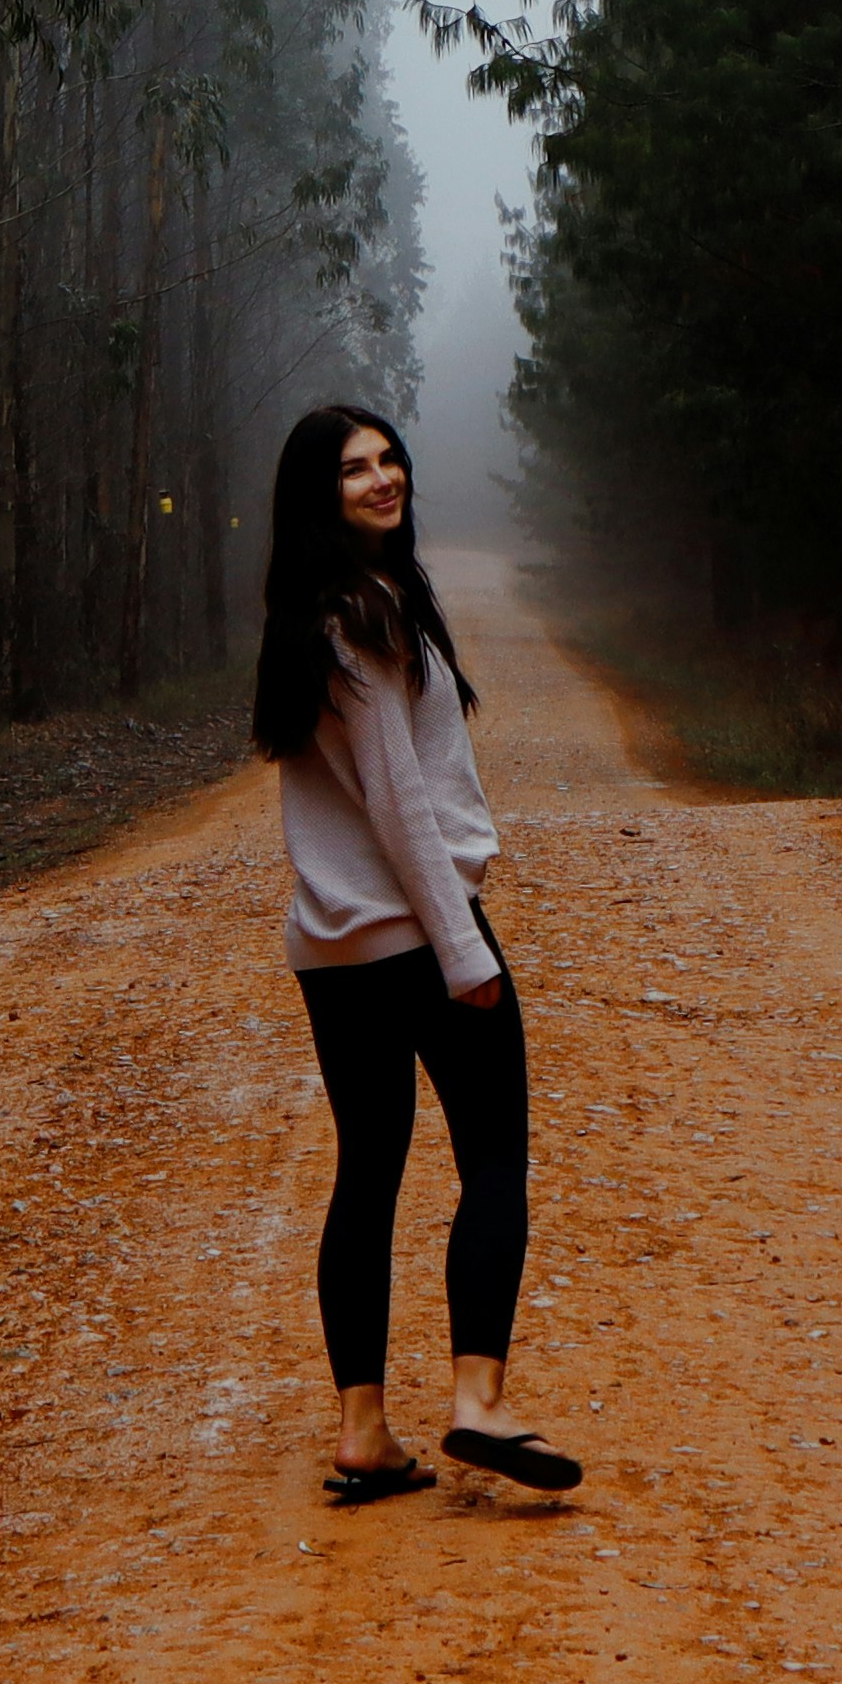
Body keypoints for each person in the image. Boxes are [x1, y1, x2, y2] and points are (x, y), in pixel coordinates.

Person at [250, 402, 581, 1504]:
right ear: (320, 493)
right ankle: (478, 1402)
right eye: (355, 468)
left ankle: (364, 1433)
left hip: (334, 950)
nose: (384, 477)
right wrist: (462, 949)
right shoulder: (366, 614)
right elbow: (398, 801)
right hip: (420, 933)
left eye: (390, 458)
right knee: (493, 1160)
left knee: (368, 1170)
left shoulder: (305, 617)